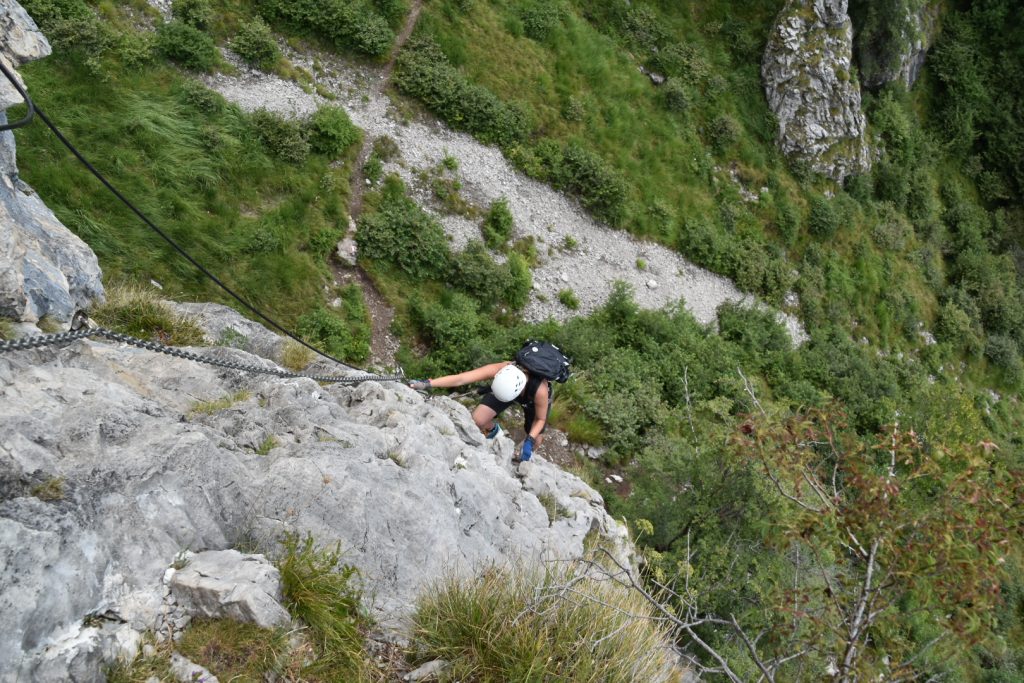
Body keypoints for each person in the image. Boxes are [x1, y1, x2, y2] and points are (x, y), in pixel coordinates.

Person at [409, 361, 550, 461]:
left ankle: (521, 458)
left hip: (532, 400)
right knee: (478, 420)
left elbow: (540, 419)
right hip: (506, 390)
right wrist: (427, 384)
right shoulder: (502, 369)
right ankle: (495, 432)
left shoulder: (540, 391)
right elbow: (462, 378)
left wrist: (530, 440)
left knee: (536, 439)